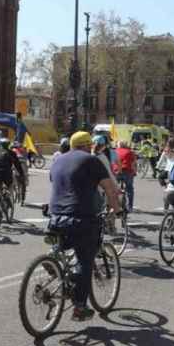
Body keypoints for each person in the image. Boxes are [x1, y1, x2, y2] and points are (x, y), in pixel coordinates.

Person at [49, 131, 120, 321]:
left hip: (55, 216)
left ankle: (53, 259)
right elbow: (109, 188)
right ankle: (79, 307)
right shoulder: (91, 160)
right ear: (88, 145)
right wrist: (117, 210)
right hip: (81, 218)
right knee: (85, 261)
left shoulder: (58, 160)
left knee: (65, 243)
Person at [115, 141, 137, 212]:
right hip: (127, 171)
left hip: (116, 171)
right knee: (129, 188)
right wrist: (134, 172)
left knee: (114, 188)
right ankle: (130, 206)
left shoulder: (115, 151)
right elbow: (133, 163)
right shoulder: (130, 152)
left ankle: (114, 205)